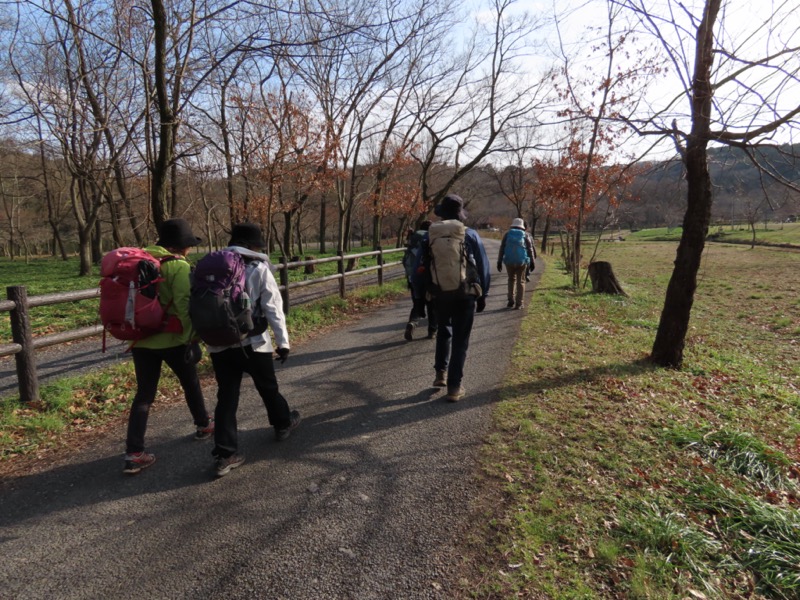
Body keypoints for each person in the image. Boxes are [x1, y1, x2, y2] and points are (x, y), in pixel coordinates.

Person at [206, 223, 301, 477]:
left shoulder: (211, 265)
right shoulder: (258, 268)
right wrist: (283, 343)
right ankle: (282, 424)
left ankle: (225, 454)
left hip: (218, 343)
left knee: (226, 397)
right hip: (253, 342)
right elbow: (273, 308)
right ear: (251, 245)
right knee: (267, 386)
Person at [123, 218, 214, 475]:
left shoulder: (140, 260)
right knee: (190, 383)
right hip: (174, 338)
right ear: (182, 246)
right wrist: (192, 337)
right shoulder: (177, 267)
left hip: (142, 339)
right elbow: (185, 305)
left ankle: (134, 452)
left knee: (144, 395)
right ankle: (203, 424)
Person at [412, 194, 490, 402]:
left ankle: (440, 374)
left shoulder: (430, 236)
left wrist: (419, 299)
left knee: (443, 331)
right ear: (460, 214)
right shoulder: (469, 234)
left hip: (438, 294)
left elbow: (417, 270)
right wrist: (483, 294)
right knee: (460, 340)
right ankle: (454, 388)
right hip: (465, 295)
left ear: (441, 215)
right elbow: (483, 267)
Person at [402, 220, 437, 341]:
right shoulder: (431, 238)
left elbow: (404, 259)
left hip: (413, 277)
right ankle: (432, 330)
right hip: (427, 275)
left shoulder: (413, 238)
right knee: (432, 304)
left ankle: (413, 322)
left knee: (417, 302)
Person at [497, 217, 536, 309]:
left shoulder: (507, 234)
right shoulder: (525, 235)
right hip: (521, 262)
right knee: (521, 281)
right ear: (522, 226)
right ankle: (519, 303)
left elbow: (502, 248)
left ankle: (510, 300)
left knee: (511, 280)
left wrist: (499, 261)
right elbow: (530, 249)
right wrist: (532, 262)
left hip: (509, 261)